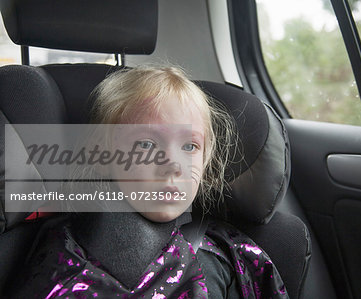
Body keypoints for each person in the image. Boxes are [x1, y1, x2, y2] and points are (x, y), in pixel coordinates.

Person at [7, 66, 288, 298]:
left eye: (190, 147)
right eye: (146, 144)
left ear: (205, 161)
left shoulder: (233, 254)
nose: (173, 165)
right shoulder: (66, 251)